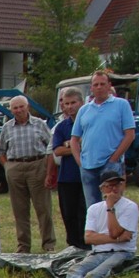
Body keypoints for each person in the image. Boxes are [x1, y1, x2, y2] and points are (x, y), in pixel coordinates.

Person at [60, 167, 139, 278]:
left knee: (94, 275)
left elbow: (117, 233)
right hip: (99, 252)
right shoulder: (94, 209)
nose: (114, 189)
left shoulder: (130, 207)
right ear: (102, 189)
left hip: (122, 252)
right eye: (110, 186)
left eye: (117, 185)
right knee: (75, 269)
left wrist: (110, 208)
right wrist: (117, 239)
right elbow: (89, 238)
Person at [0, 95, 56, 253]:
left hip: (37, 166)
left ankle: (48, 244)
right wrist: (8, 167)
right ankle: (23, 246)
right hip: (15, 167)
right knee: (20, 210)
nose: (18, 110)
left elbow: (50, 146)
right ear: (11, 110)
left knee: (43, 208)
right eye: (15, 108)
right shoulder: (7, 127)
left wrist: (47, 169)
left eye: (21, 106)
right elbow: (0, 151)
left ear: (27, 107)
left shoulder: (39, 124)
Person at [70, 69, 137, 208]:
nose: (99, 87)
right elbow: (74, 139)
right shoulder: (84, 110)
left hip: (110, 164)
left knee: (114, 205)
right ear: (91, 88)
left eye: (102, 84)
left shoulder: (121, 105)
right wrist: (80, 162)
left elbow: (130, 134)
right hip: (87, 166)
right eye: (96, 84)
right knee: (92, 208)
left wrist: (114, 158)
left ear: (109, 85)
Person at [48, 87, 87, 250]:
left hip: (87, 175)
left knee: (85, 212)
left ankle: (87, 244)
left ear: (82, 103)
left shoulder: (89, 122)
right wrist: (78, 146)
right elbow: (57, 150)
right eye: (67, 103)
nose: (70, 107)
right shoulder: (62, 127)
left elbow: (93, 145)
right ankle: (73, 246)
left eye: (73, 103)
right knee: (68, 213)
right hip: (67, 177)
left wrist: (70, 144)